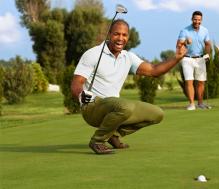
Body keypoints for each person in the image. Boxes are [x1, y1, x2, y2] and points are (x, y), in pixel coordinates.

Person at [71, 19, 187, 154]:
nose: (120, 38)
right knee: (125, 106)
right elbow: (76, 84)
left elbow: (154, 70)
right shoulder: (93, 54)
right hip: (93, 107)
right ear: (109, 34)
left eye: (124, 35)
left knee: (157, 114)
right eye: (116, 34)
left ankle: (113, 135)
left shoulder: (128, 57)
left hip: (116, 108)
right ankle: (98, 140)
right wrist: (81, 95)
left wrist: (177, 58)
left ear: (128, 37)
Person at [176, 11, 212, 111]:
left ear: (201, 20)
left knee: (201, 82)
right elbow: (178, 45)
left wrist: (207, 54)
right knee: (189, 81)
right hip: (187, 58)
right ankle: (192, 104)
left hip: (200, 58)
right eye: (195, 19)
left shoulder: (205, 31)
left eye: (199, 20)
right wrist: (186, 42)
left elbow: (208, 44)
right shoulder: (185, 30)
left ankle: (200, 103)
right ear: (192, 19)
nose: (197, 21)